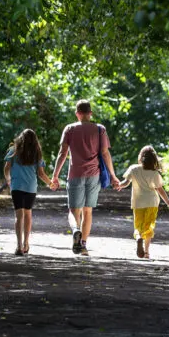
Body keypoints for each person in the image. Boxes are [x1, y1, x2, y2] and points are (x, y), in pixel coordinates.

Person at [49, 99, 122, 255]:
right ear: (90, 113)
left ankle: (75, 230)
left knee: (73, 210)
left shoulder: (69, 129)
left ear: (77, 114)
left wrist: (55, 176)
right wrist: (113, 176)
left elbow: (62, 154)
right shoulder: (100, 129)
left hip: (75, 174)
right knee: (87, 211)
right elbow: (105, 153)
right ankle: (83, 246)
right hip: (94, 175)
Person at [121, 146, 169, 259]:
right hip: (151, 203)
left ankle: (138, 238)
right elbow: (160, 190)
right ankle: (146, 252)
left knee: (138, 226)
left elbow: (126, 182)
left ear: (141, 158)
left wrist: (119, 185)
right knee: (149, 227)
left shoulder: (133, 169)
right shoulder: (154, 173)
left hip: (137, 203)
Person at [3, 128, 48, 256]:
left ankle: (18, 246)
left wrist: (8, 179)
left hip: (16, 186)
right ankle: (26, 243)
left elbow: (6, 168)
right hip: (31, 188)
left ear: (20, 138)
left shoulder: (13, 151)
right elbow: (41, 173)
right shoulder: (37, 153)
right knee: (28, 214)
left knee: (18, 216)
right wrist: (50, 183)